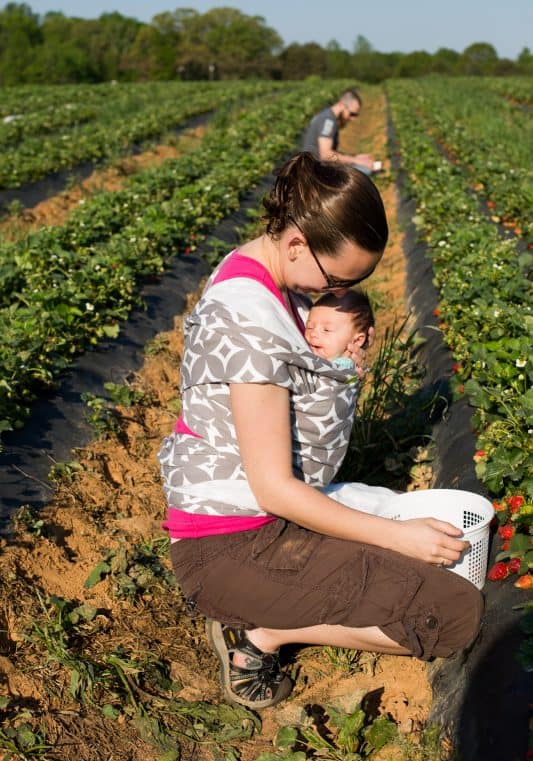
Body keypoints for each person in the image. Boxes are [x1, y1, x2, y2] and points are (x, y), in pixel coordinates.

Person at [157, 152, 483, 711]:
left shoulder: (257, 267)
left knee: (403, 540)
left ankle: (275, 612)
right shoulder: (250, 321)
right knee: (455, 613)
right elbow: (274, 490)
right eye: (338, 280)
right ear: (296, 244)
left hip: (264, 523)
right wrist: (395, 536)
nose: (335, 295)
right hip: (231, 546)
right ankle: (258, 636)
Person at [301, 88, 375, 174]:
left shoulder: (329, 117)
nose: (353, 119)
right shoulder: (328, 120)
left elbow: (329, 153)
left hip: (318, 165)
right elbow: (326, 155)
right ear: (342, 105)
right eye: (352, 114)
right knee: (364, 170)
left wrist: (355, 157)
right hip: (315, 170)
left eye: (355, 115)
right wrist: (356, 161)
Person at [305, 288, 374, 371]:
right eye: (309, 327)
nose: (313, 334)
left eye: (326, 330)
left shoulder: (343, 368)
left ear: (357, 340)